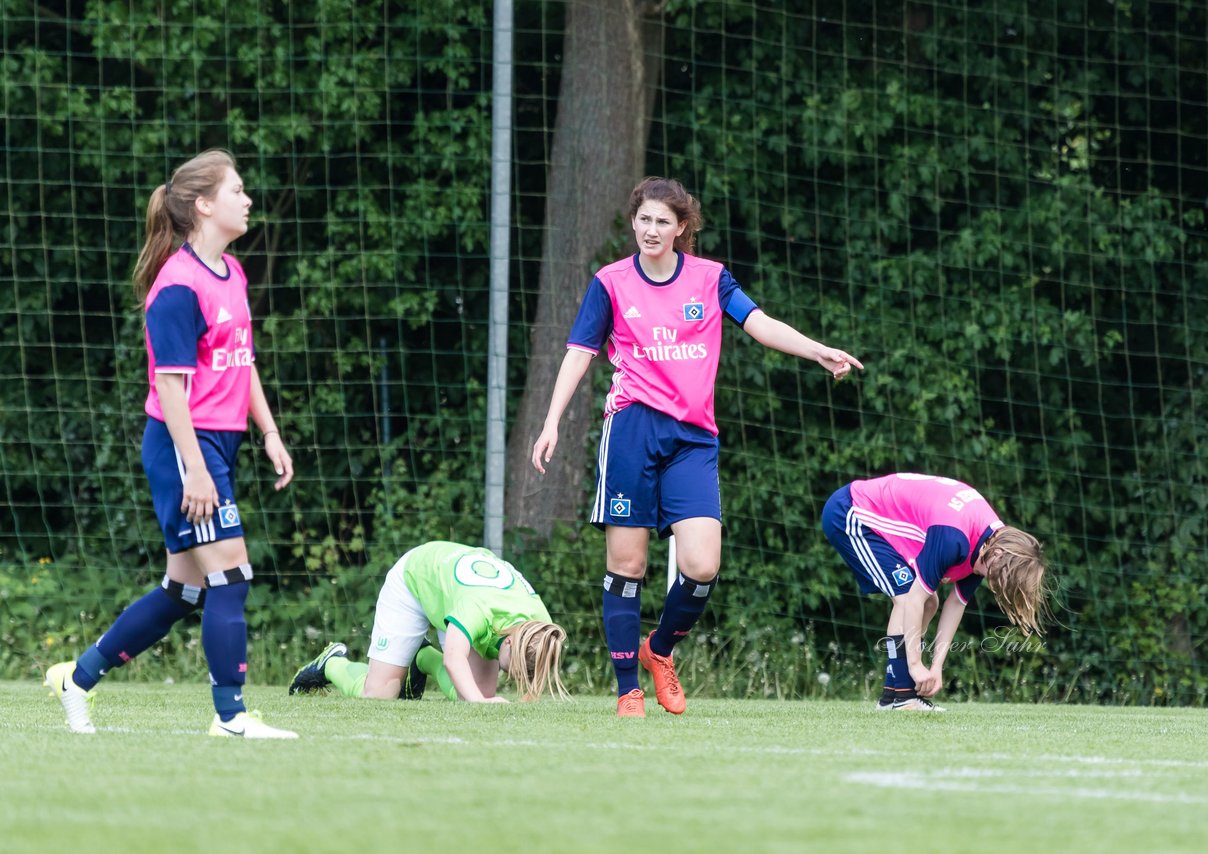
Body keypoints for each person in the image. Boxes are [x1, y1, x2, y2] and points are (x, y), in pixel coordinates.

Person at [531, 176, 860, 717]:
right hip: (633, 430)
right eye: (643, 219)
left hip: (692, 439)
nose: (651, 229)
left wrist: (816, 350)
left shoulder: (710, 279)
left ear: (682, 228)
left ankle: (658, 650)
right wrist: (551, 421)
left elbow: (759, 323)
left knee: (703, 565)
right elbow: (579, 352)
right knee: (628, 563)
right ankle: (626, 690)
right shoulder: (610, 283)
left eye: (663, 221)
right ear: (633, 222)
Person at [44, 150, 297, 738]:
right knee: (231, 576)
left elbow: (243, 363)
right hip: (184, 446)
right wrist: (196, 470)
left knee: (183, 589)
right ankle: (230, 718)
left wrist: (270, 432)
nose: (248, 199)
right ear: (204, 205)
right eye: (237, 190)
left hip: (215, 444)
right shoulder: (177, 286)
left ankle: (76, 681)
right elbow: (171, 389)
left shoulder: (231, 273)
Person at [821, 472, 1049, 711]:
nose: (994, 584)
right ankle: (903, 698)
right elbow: (912, 600)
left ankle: (893, 698)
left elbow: (956, 604)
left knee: (929, 601)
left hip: (876, 515)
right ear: (999, 555)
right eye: (998, 578)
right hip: (851, 512)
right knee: (908, 594)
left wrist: (936, 666)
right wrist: (916, 663)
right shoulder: (954, 538)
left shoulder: (990, 546)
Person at [288, 541, 569, 703]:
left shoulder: (539, 626)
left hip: (454, 591)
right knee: (378, 695)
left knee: (473, 693)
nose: (518, 675)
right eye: (518, 668)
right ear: (510, 639)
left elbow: (538, 659)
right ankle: (332, 662)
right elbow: (454, 658)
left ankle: (421, 656)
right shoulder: (477, 609)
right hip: (415, 579)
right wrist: (481, 703)